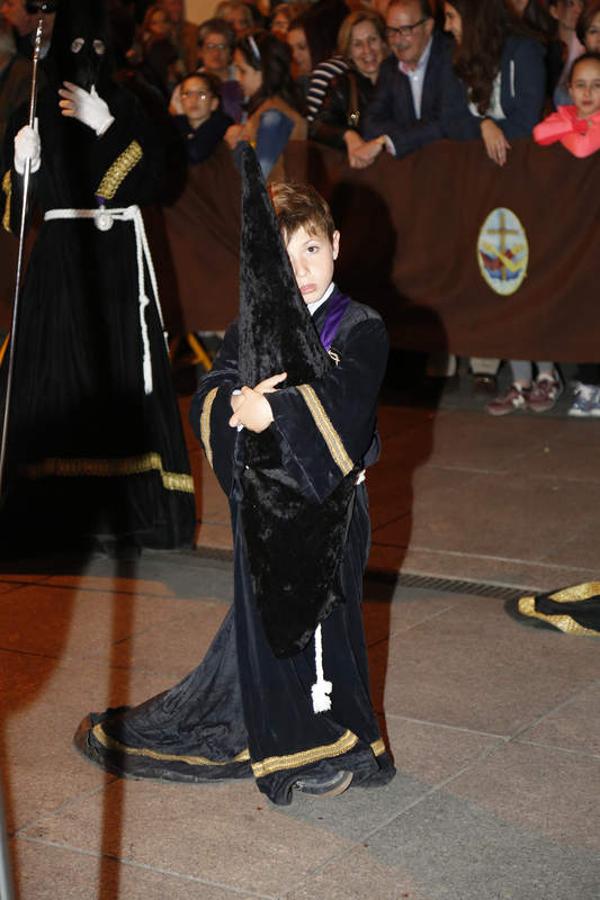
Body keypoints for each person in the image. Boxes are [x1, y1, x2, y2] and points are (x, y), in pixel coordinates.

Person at [74, 147, 396, 806]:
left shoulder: (361, 326)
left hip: (333, 511)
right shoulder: (253, 327)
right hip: (265, 515)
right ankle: (289, 739)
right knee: (274, 628)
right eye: (286, 256)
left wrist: (271, 410)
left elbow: (346, 405)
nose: (301, 268)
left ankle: (331, 735)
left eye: (312, 249)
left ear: (335, 246)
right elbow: (213, 397)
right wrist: (236, 409)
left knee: (324, 627)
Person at [0, 0, 196, 552]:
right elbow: (16, 217)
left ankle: (129, 512)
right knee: (61, 378)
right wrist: (22, 162)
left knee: (116, 381)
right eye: (78, 49)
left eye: (98, 50)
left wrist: (108, 126)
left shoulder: (129, 106)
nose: (88, 59)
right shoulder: (34, 105)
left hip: (114, 262)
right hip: (60, 264)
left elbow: (156, 178)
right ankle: (52, 510)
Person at [534, 52, 600, 418]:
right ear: (569, 88)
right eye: (580, 85)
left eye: (597, 85)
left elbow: (585, 147)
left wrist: (576, 129)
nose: (588, 93)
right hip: (576, 234)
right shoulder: (569, 116)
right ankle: (588, 383)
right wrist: (576, 124)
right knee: (580, 307)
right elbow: (541, 133)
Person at [441, 0, 546, 167]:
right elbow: (450, 119)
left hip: (519, 163)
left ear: (473, 17)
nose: (447, 26)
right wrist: (483, 126)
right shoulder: (454, 56)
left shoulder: (525, 52)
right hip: (471, 166)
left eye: (451, 16)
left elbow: (527, 122)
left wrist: (495, 132)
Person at [360, 0, 449, 165]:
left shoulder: (450, 57)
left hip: (453, 165)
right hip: (411, 171)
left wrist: (389, 140)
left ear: (428, 26)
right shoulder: (389, 68)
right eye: (391, 31)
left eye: (406, 30)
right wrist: (409, 135)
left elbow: (446, 121)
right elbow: (369, 122)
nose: (397, 40)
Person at [309, 9, 388, 167]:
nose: (367, 50)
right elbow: (318, 127)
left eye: (372, 40)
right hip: (362, 175)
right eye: (357, 44)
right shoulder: (343, 85)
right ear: (349, 52)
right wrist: (348, 135)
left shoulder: (402, 80)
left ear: (384, 42)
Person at [224, 30, 307, 179]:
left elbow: (258, 179)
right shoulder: (266, 110)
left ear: (264, 71)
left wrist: (239, 146)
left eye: (242, 71)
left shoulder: (274, 117)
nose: (237, 78)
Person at [173, 70, 233, 162]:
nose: (193, 100)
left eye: (201, 94)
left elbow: (195, 152)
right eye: (187, 94)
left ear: (214, 103)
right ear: (181, 101)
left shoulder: (222, 124)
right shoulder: (174, 124)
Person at [160, 0, 198, 72]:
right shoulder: (157, 32)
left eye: (180, 4)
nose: (177, 8)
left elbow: (193, 62)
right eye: (173, 4)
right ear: (163, 6)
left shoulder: (192, 31)